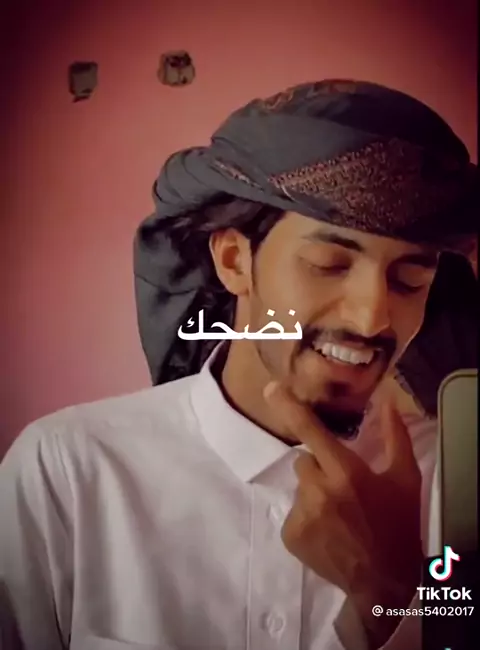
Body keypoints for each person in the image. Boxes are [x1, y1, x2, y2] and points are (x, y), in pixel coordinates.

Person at [1, 80, 478, 650]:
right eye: (328, 264)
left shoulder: (458, 484)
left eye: (410, 281)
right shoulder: (69, 472)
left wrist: (391, 595)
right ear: (233, 261)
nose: (373, 318)